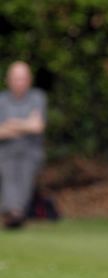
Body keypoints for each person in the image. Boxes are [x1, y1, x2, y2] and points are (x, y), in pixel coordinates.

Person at [0, 61, 47, 229]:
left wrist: (11, 124)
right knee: (9, 173)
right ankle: (14, 212)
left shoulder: (37, 97)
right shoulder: (2, 100)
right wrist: (25, 125)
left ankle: (14, 211)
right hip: (5, 150)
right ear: (8, 80)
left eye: (23, 79)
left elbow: (38, 126)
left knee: (25, 172)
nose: (19, 83)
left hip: (30, 150)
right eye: (16, 79)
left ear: (29, 80)